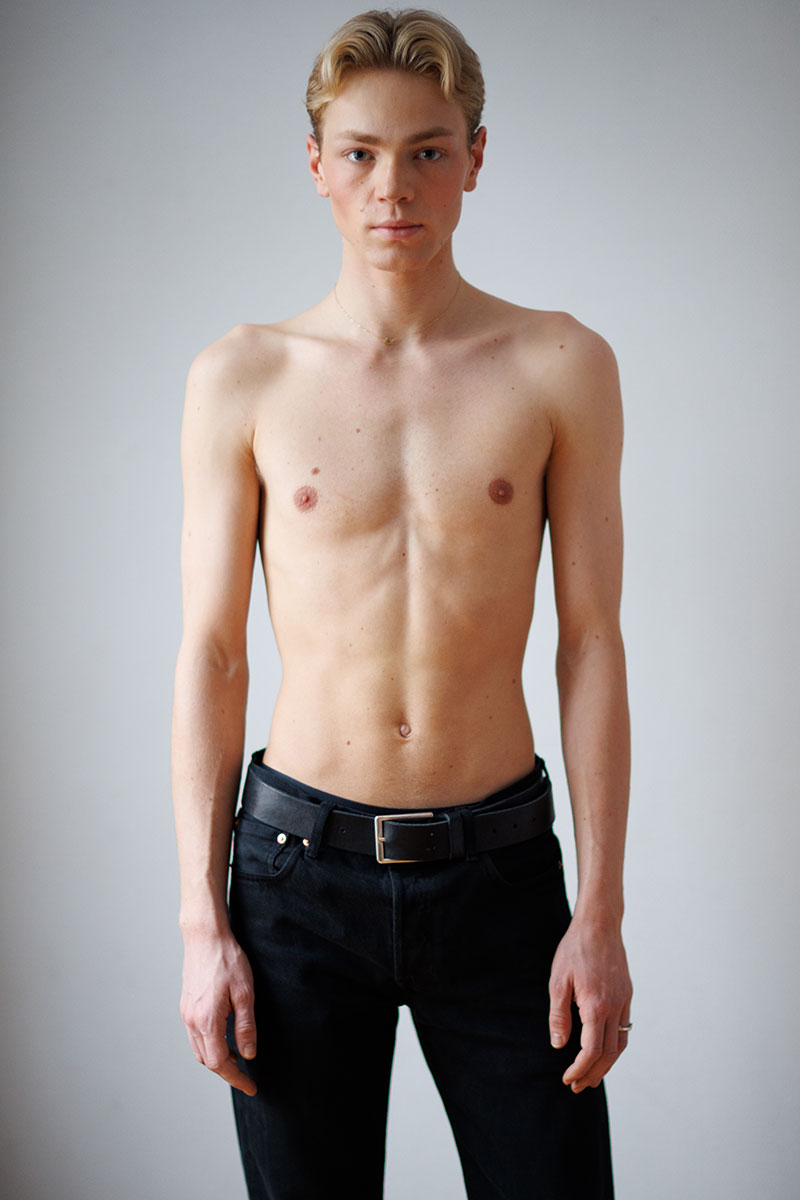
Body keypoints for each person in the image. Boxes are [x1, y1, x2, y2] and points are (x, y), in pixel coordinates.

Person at [171, 8, 633, 1198]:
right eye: (362, 153)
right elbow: (213, 654)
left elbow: (589, 643)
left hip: (500, 875)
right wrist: (201, 924)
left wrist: (598, 911)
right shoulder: (244, 375)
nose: (393, 186)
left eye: (427, 151)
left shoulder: (558, 365)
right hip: (294, 877)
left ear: (474, 157)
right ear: (316, 163)